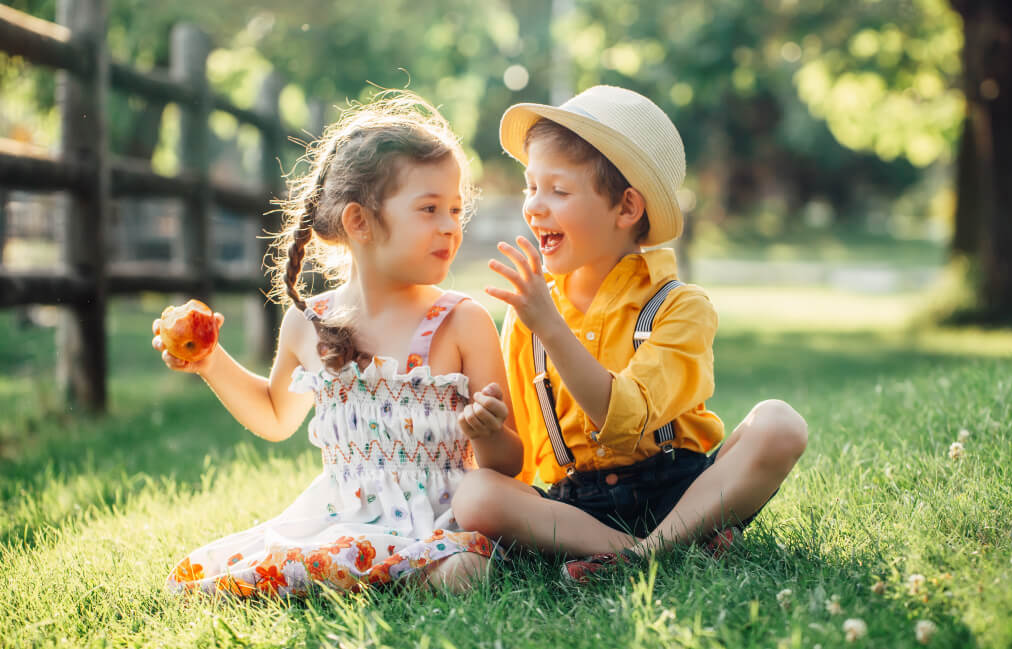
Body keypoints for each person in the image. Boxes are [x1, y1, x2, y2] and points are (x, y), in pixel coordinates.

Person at [157, 91, 522, 597]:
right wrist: (211, 362)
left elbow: (507, 464)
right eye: (430, 208)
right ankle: (355, 572)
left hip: (440, 522)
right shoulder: (309, 324)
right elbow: (274, 416)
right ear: (359, 222)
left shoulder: (463, 321)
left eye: (456, 209)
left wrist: (485, 431)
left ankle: (367, 577)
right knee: (205, 579)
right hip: (343, 519)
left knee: (465, 571)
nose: (450, 226)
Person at [452, 85, 809, 582]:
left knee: (779, 423)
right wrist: (489, 431)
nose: (534, 206)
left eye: (558, 189)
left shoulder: (680, 306)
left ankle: (646, 554)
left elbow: (623, 420)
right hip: (579, 511)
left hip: (680, 493)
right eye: (530, 186)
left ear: (626, 209)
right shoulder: (529, 314)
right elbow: (513, 463)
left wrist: (550, 326)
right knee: (474, 494)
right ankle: (651, 549)